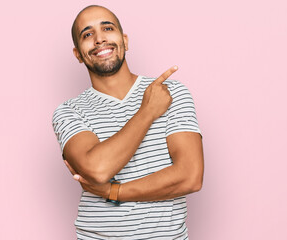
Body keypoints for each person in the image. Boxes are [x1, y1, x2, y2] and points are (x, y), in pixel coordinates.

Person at [52, 5, 204, 240]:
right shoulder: (69, 111)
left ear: (124, 40)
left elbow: (190, 176)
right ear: (78, 54)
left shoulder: (170, 92)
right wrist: (147, 111)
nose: (100, 39)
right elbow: (97, 169)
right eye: (87, 34)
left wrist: (115, 191)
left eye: (107, 28)